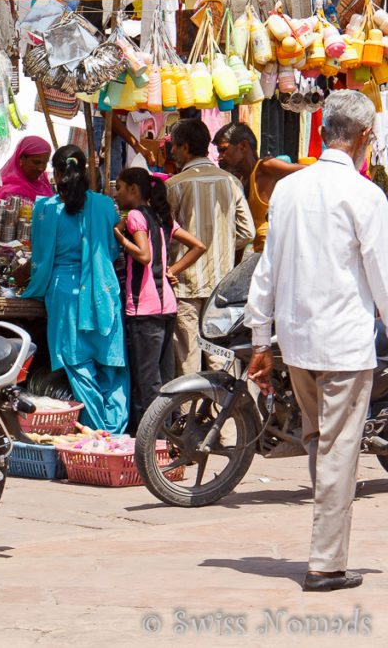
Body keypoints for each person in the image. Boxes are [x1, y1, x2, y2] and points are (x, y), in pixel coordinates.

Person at [245, 91, 388, 592]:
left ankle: (327, 545)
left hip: (299, 343)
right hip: (345, 346)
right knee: (338, 450)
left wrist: (262, 339)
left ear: (324, 129)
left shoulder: (289, 190)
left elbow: (267, 268)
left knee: (319, 443)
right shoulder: (366, 195)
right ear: (365, 136)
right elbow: (383, 276)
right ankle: (325, 563)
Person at [24, 145, 129, 434]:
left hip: (63, 294)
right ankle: (115, 430)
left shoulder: (45, 208)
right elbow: (111, 248)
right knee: (111, 363)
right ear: (83, 171)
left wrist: (30, 286)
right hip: (102, 291)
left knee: (77, 364)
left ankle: (97, 429)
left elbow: (40, 259)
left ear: (56, 173)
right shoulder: (105, 205)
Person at [113, 167, 206, 434]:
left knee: (148, 381)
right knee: (166, 378)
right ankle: (168, 436)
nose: (116, 194)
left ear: (133, 190)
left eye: (119, 188)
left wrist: (121, 238)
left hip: (144, 309)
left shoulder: (135, 216)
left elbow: (142, 256)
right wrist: (171, 271)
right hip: (167, 307)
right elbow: (198, 245)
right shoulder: (161, 216)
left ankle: (151, 440)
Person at [165, 119, 254, 377]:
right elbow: (246, 232)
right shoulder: (231, 182)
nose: (171, 152)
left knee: (187, 357)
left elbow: (166, 234)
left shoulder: (175, 185)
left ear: (184, 148)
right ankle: (222, 415)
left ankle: (185, 415)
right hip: (221, 283)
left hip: (184, 283)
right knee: (219, 355)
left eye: (173, 146)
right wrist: (224, 245)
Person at [212, 122, 305, 253]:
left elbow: (313, 170)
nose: (220, 157)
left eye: (223, 150)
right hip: (260, 258)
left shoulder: (266, 167)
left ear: (243, 146)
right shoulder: (239, 179)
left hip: (277, 258)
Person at [0, 135, 54, 202]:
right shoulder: (10, 193)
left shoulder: (42, 187)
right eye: (36, 162)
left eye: (45, 163)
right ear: (21, 159)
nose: (41, 168)